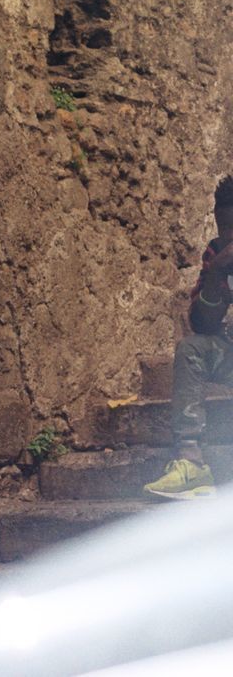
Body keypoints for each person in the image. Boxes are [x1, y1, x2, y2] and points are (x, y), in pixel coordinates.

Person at [143, 176, 233, 500]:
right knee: (190, 350)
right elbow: (201, 324)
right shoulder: (217, 253)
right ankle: (192, 463)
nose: (231, 236)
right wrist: (215, 274)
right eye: (226, 227)